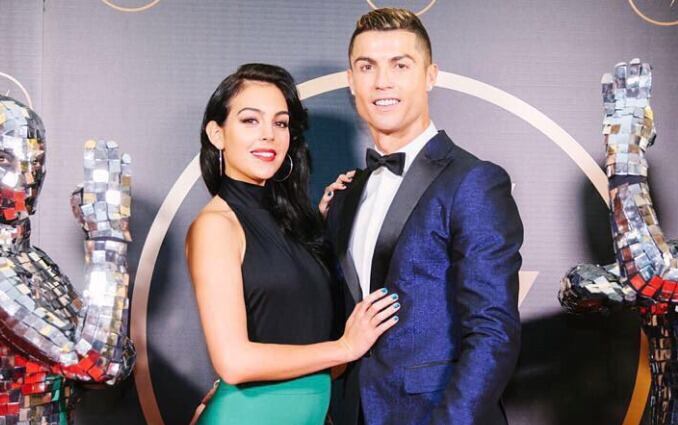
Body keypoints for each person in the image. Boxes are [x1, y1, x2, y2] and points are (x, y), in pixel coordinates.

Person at [320, 8, 524, 425]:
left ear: (430, 75)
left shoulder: (473, 181)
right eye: (367, 67)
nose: (382, 82)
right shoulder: (345, 195)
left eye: (400, 65)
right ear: (351, 80)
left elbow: (492, 332)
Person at [186, 63, 400, 425]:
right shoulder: (216, 226)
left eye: (281, 123)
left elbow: (308, 340)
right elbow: (234, 362)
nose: (268, 135)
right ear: (217, 134)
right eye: (250, 120)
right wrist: (345, 347)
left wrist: (323, 227)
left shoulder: (294, 224)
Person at [0, 96, 135, 424]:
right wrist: (106, 237)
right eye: (3, 159)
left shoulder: (35, 261)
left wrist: (101, 235)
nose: (25, 177)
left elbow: (115, 357)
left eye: (34, 161)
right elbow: (99, 365)